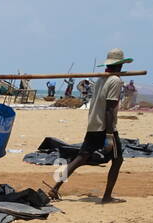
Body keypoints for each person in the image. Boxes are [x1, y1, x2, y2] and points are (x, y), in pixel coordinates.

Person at [49, 48, 130, 204]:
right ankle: (107, 197)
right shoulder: (115, 80)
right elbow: (110, 107)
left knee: (80, 158)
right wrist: (109, 132)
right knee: (117, 160)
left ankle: (55, 187)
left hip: (93, 124)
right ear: (120, 65)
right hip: (105, 127)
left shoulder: (101, 79)